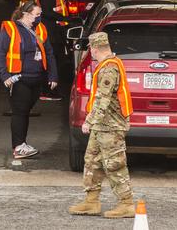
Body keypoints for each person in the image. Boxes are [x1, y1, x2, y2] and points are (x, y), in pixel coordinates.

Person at [69, 32, 135, 219]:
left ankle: (126, 204)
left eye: (91, 50)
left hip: (111, 126)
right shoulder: (108, 64)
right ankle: (92, 201)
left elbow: (102, 99)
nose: (91, 53)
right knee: (92, 161)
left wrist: (90, 121)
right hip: (102, 126)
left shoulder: (109, 68)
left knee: (114, 165)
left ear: (95, 48)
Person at [0, 2, 59, 159]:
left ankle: (22, 144)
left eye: (40, 14)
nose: (39, 17)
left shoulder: (40, 29)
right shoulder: (10, 29)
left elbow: (49, 53)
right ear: (25, 14)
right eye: (37, 14)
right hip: (18, 79)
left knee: (25, 112)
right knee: (20, 111)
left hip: (36, 78)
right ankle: (19, 146)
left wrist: (53, 75)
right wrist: (5, 76)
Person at [35, 0, 68, 98]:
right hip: (49, 33)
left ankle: (49, 90)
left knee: (53, 62)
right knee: (51, 62)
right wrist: (68, 20)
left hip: (53, 32)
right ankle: (48, 91)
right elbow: (48, 12)